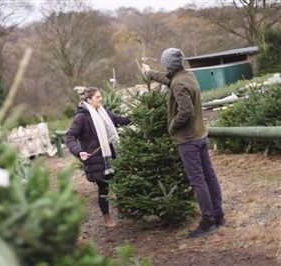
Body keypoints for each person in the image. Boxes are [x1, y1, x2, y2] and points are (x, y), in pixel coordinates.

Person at [142, 48, 226, 238]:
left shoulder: (178, 83)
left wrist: (172, 126)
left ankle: (208, 222)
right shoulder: (187, 75)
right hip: (200, 135)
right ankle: (218, 215)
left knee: (198, 181)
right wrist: (150, 73)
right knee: (209, 176)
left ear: (167, 63)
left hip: (188, 139)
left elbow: (185, 111)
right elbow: (168, 79)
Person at [65, 87, 131, 228]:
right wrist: (79, 151)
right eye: (97, 97)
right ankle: (106, 217)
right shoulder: (82, 117)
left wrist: (137, 115)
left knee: (119, 185)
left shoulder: (103, 112)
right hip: (97, 160)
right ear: (89, 100)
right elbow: (70, 136)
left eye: (100, 96)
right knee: (103, 189)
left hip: (114, 156)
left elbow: (121, 120)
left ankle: (122, 210)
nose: (100, 99)